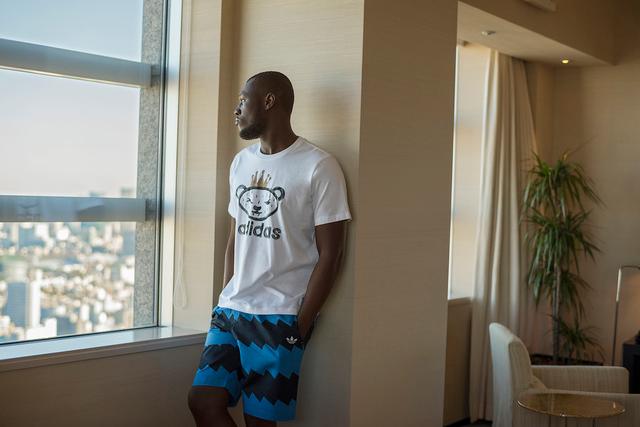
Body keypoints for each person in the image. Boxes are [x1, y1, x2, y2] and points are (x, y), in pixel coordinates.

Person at [188, 71, 351, 426]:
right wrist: (224, 297)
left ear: (269, 101)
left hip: (279, 316)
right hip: (231, 311)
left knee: (259, 421)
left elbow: (332, 254)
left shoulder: (319, 166)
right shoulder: (241, 162)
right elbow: (235, 238)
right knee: (202, 401)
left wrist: (300, 325)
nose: (237, 110)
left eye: (243, 100)